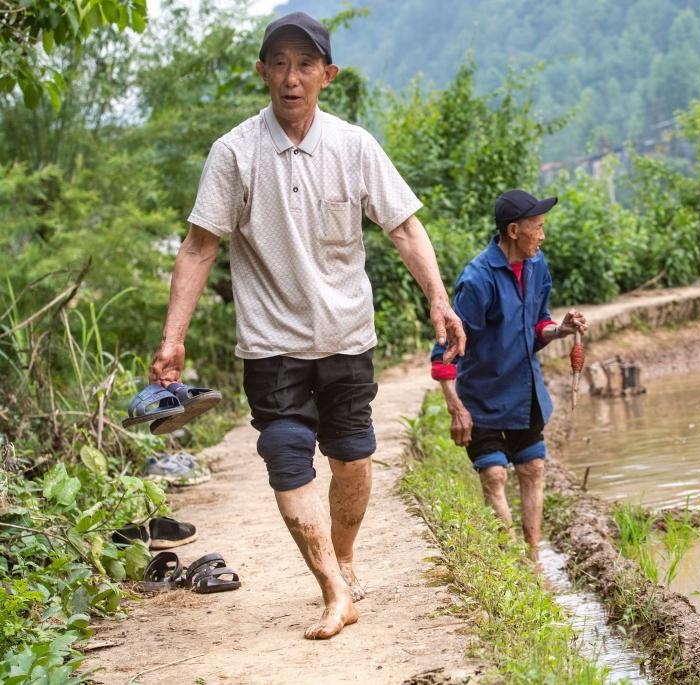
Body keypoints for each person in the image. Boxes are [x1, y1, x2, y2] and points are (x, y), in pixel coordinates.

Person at [147, 12, 465, 640]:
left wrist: (439, 299)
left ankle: (343, 558)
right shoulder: (234, 152)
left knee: (353, 456)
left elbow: (403, 226)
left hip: (347, 335)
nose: (292, 78)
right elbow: (199, 247)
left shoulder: (354, 146)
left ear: (327, 74)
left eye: (305, 65)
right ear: (263, 72)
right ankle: (332, 588)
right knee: (283, 450)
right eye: (280, 64)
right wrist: (172, 338)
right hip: (271, 344)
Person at [431, 189, 587, 560]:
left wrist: (560, 330)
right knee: (495, 475)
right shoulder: (477, 280)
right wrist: (456, 407)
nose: (543, 235)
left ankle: (533, 558)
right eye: (538, 227)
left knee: (533, 467)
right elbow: (446, 350)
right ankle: (512, 560)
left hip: (523, 390)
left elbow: (537, 326)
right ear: (514, 230)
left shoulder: (538, 266)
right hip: (482, 396)